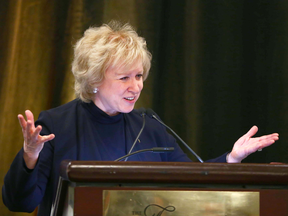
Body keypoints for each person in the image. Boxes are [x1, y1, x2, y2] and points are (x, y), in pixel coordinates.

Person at [2, 21, 279, 216]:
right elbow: (19, 203)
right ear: (94, 80)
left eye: (138, 76)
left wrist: (231, 159)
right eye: (124, 78)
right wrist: (29, 157)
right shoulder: (55, 125)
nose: (135, 87)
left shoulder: (150, 124)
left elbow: (191, 182)